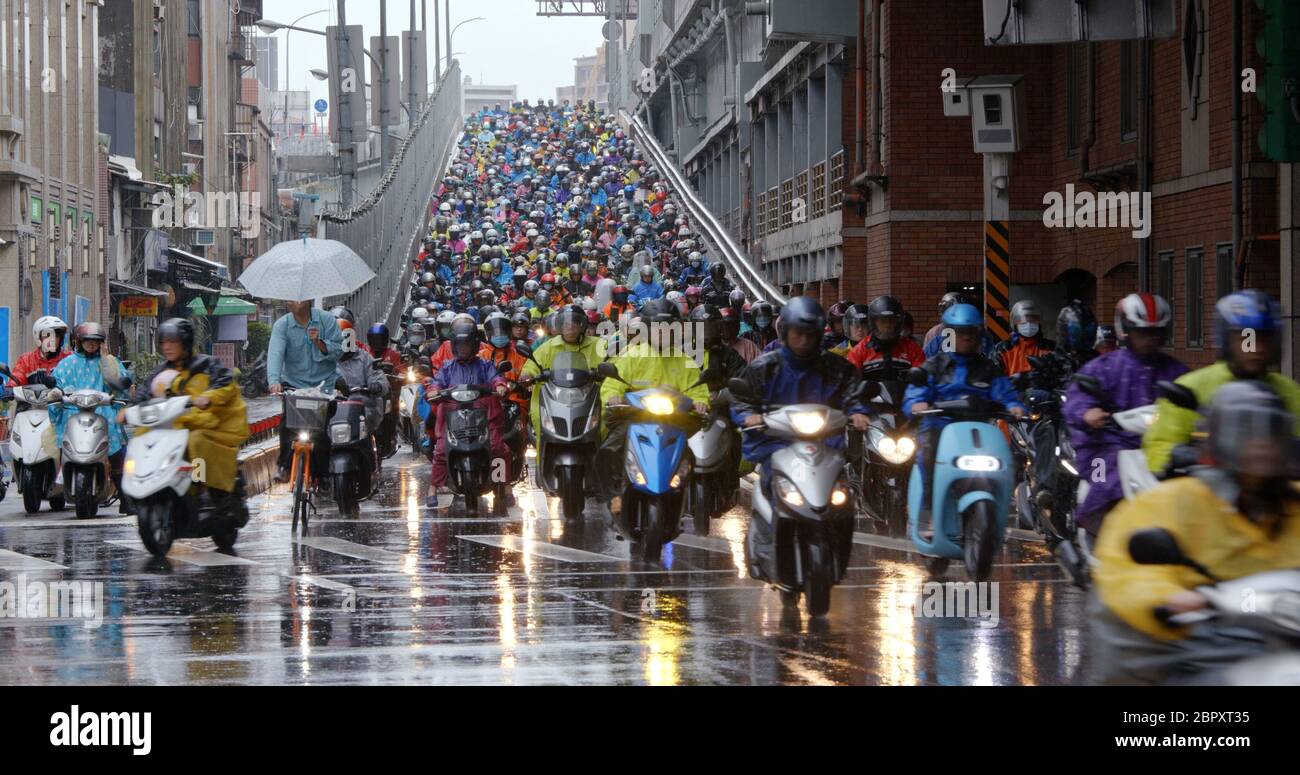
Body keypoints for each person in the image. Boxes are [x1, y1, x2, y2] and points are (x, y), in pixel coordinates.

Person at [1092, 381, 1300, 685]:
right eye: (1248, 435)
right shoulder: (1171, 502)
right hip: (1196, 641)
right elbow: (1128, 572)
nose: (1260, 447)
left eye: (1269, 436)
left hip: (1282, 634)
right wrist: (1169, 598)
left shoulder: (1293, 503)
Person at [730, 297, 871, 558]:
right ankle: (766, 541)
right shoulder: (765, 367)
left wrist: (858, 412)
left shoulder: (836, 367)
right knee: (770, 483)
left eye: (810, 334)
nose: (804, 341)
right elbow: (742, 398)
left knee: (842, 494)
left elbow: (853, 393)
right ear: (785, 332)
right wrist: (749, 415)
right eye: (798, 334)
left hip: (825, 444)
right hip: (778, 443)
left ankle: (840, 543)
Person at [1063, 293, 1186, 540]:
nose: (1150, 339)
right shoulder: (1103, 367)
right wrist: (1088, 413)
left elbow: (1194, 400)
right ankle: (1096, 537)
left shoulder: (1176, 370)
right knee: (1102, 483)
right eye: (1143, 332)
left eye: (1156, 332)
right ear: (1126, 331)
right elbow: (1077, 399)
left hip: (1160, 448)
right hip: (1105, 446)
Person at [1144, 290, 1300, 474]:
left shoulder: (1290, 391)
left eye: (1264, 339)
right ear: (1226, 340)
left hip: (1275, 492)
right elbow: (1158, 446)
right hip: (1207, 493)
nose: (1256, 348)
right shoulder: (1190, 387)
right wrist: (1185, 455)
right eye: (1246, 338)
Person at [904, 303, 1026, 515]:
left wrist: (1014, 406)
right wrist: (917, 403)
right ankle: (929, 509)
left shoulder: (988, 368)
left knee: (1004, 457)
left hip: (978, 430)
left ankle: (1000, 506)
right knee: (927, 452)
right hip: (940, 428)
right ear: (949, 334)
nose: (966, 337)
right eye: (960, 333)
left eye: (971, 332)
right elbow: (916, 389)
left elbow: (1004, 391)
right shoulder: (934, 365)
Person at [596, 298, 710, 499]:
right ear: (647, 329)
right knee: (609, 449)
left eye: (668, 329)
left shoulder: (685, 360)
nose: (663, 333)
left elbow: (697, 389)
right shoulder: (633, 355)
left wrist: (700, 402)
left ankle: (688, 497)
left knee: (693, 456)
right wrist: (613, 397)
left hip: (674, 421)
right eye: (658, 328)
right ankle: (612, 494)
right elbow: (612, 384)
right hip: (635, 419)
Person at [133, 318, 249, 508]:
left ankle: (201, 484)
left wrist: (208, 397)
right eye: (164, 342)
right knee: (141, 435)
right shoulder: (160, 372)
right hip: (171, 425)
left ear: (185, 343)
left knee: (195, 441)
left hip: (205, 423)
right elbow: (144, 394)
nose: (167, 347)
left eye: (173, 342)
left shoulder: (207, 364)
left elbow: (225, 384)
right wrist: (130, 410)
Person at [49, 323, 132, 514]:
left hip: (104, 412)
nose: (92, 345)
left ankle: (126, 497)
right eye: (88, 341)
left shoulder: (109, 362)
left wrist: (118, 380)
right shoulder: (67, 364)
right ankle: (59, 484)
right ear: (79, 342)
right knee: (60, 446)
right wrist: (55, 391)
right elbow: (57, 383)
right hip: (73, 412)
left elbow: (121, 381)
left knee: (117, 449)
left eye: (96, 341)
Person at [426, 317, 510, 505]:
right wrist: (433, 391)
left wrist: (500, 385)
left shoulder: (484, 365)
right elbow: (436, 383)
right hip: (454, 416)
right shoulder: (448, 367)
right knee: (440, 450)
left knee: (498, 447)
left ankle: (504, 485)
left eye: (466, 345)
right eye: (459, 345)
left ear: (474, 345)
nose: (462, 349)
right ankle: (433, 486)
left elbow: (496, 378)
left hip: (482, 416)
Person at [268, 301, 343, 481]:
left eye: (296, 298)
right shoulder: (282, 325)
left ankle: (322, 476)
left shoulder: (327, 321)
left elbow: (338, 352)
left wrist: (319, 342)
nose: (291, 302)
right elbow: (275, 354)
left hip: (323, 388)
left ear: (308, 300)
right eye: (289, 298)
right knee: (287, 425)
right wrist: (274, 380)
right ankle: (284, 467)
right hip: (294, 387)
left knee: (320, 434)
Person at [520, 304, 606, 442]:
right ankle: (542, 457)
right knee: (538, 418)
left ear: (582, 325)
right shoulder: (549, 346)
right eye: (565, 323)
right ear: (559, 326)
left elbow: (612, 361)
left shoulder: (599, 345)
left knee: (605, 420)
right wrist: (528, 374)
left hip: (589, 397)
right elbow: (533, 363)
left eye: (574, 323)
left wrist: (605, 371)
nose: (570, 327)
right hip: (554, 398)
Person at [845, 296, 925, 370]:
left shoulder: (912, 348)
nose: (887, 325)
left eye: (891, 321)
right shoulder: (859, 350)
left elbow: (923, 377)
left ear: (898, 322)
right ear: (874, 322)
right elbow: (851, 380)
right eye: (883, 321)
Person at [990, 299, 1057, 379]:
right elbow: (994, 380)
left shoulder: (1051, 348)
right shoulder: (1002, 349)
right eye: (1022, 320)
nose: (1028, 323)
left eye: (1033, 319)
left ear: (1039, 322)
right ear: (1014, 323)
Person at [4, 316, 72, 386]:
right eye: (47, 336)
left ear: (61, 339)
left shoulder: (69, 358)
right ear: (38, 338)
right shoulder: (27, 360)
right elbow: (16, 378)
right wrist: (9, 389)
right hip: (33, 397)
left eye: (56, 336)